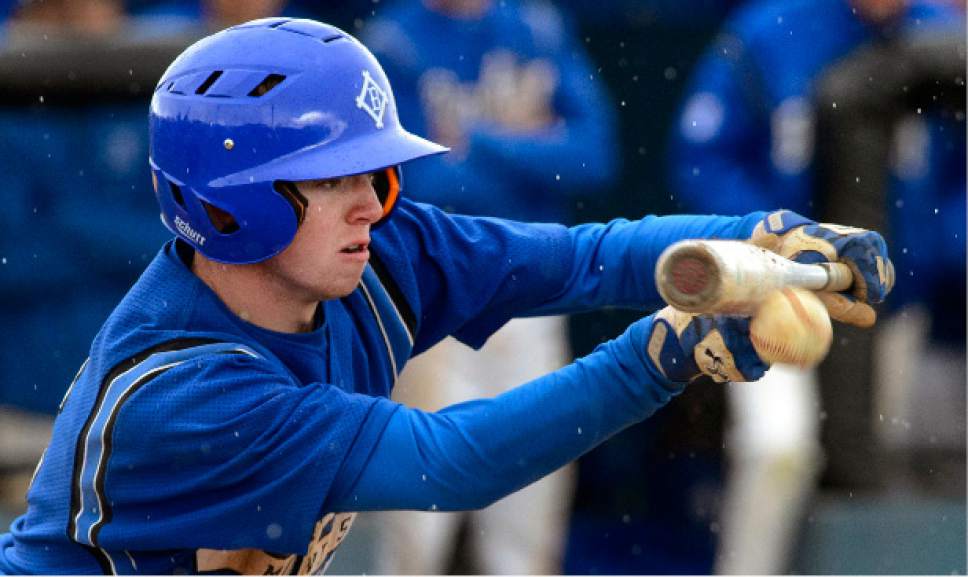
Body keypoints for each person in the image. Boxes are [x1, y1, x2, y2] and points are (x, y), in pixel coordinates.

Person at [0, 18, 893, 574]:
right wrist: (660, 355)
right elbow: (452, 462)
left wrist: (759, 234)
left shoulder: (374, 254)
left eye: (373, 171)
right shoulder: (184, 392)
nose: (370, 202)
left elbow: (586, 257)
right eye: (331, 178)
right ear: (232, 207)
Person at [669, 0, 960, 572]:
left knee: (871, 473)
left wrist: (930, 248)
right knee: (780, 451)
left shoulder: (941, 34)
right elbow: (701, 158)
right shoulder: (773, 28)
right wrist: (775, 244)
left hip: (893, 301)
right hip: (780, 293)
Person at [360, 0, 616, 572]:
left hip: (532, 288)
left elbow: (593, 156)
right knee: (416, 516)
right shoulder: (393, 41)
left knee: (530, 508)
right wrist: (529, 145)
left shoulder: (536, 26)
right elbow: (404, 185)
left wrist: (481, 138)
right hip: (433, 291)